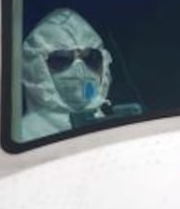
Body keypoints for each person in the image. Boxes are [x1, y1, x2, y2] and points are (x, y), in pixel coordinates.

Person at [20, 8, 113, 141]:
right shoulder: (23, 137)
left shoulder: (117, 128)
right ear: (34, 67)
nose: (80, 71)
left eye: (91, 58)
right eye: (62, 59)